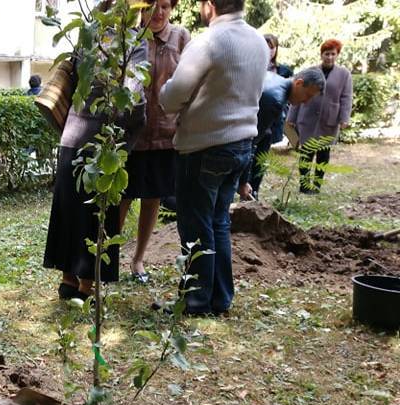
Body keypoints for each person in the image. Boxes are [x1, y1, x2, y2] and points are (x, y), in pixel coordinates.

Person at [158, 0, 269, 317]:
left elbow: (172, 96)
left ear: (209, 6)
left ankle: (195, 301)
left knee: (195, 225)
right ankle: (220, 298)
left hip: (204, 146)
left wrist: (167, 88)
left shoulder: (208, 42)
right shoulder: (258, 41)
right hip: (242, 144)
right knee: (218, 221)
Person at [43, 7, 148, 301]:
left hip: (72, 132)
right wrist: (133, 131)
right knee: (96, 213)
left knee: (67, 209)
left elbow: (77, 74)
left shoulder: (89, 30)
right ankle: (86, 286)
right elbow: (134, 96)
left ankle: (67, 280)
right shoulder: (134, 41)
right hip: (103, 139)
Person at [116, 0, 190, 284]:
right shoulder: (129, 36)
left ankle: (138, 261)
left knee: (152, 199)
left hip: (165, 136)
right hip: (130, 134)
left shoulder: (181, 37)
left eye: (164, 7)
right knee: (121, 198)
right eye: (152, 6)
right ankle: (109, 259)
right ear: (141, 8)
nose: (158, 13)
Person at [238, 68, 325, 201]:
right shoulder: (275, 100)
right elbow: (249, 142)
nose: (306, 102)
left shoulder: (275, 80)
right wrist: (243, 182)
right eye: (307, 95)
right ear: (299, 83)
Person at [287, 39, 353, 194]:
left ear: (337, 55)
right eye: (326, 54)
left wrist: (344, 118)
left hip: (328, 119)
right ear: (321, 54)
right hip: (307, 117)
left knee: (323, 154)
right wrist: (291, 117)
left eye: (332, 54)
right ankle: (304, 186)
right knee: (306, 152)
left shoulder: (344, 74)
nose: (329, 57)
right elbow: (297, 92)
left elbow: (346, 97)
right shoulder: (311, 71)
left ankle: (316, 186)